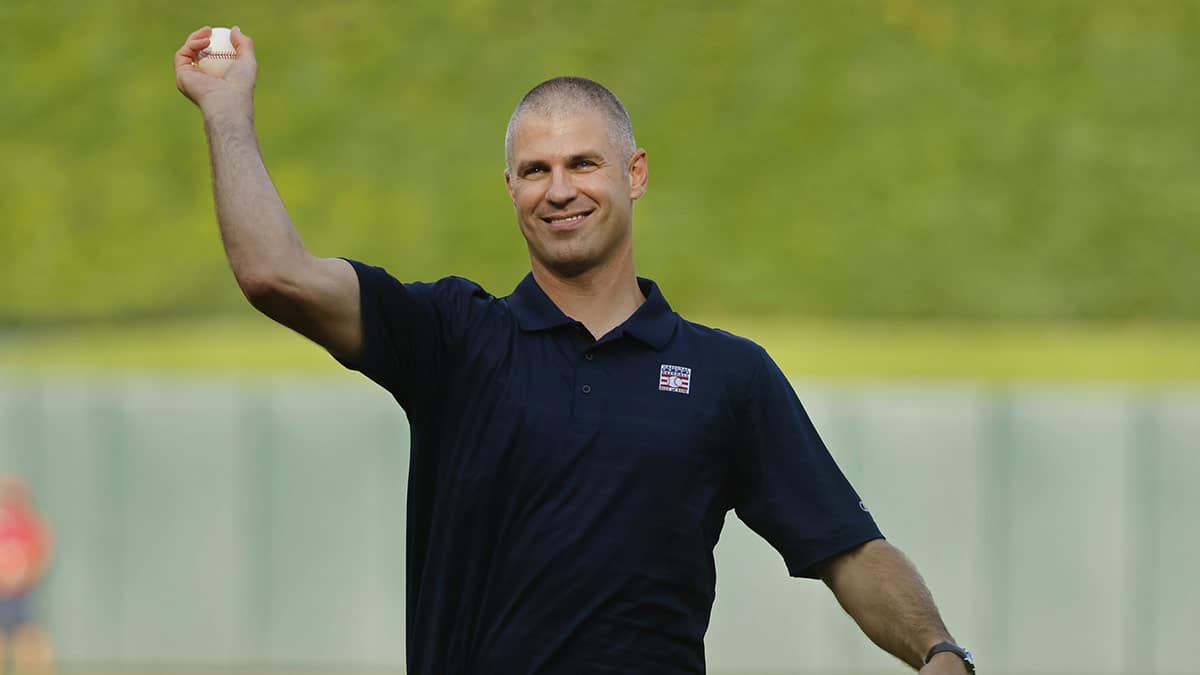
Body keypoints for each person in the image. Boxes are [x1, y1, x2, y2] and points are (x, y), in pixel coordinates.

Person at [175, 26, 975, 675]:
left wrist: (938, 651)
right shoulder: (454, 338)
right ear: (511, 188)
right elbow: (274, 274)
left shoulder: (726, 376)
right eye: (534, 171)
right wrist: (225, 111)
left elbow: (848, 547)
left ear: (634, 173)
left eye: (582, 164)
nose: (559, 190)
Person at [0, 477, 54, 675]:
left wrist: (24, 576)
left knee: (31, 642)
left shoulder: (31, 523)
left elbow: (42, 556)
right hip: (2, 593)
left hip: (21, 594)